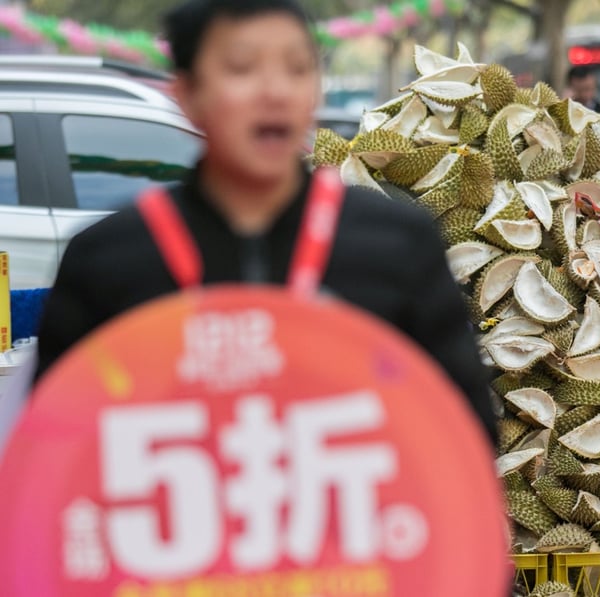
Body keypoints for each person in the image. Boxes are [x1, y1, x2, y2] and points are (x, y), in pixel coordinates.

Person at [32, 0, 496, 444]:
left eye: (297, 68)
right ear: (187, 94)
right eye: (241, 68)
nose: (275, 91)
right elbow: (55, 449)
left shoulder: (398, 245)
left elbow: (463, 435)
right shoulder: (108, 260)